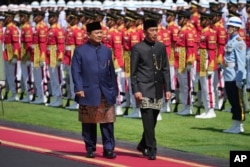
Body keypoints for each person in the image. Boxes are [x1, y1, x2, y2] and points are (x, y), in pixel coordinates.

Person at [71, 21, 118, 159]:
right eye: (96, 33)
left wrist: (114, 90)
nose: (100, 35)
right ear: (88, 34)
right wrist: (78, 88)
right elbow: (75, 71)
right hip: (88, 91)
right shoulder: (80, 50)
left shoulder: (107, 50)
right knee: (89, 123)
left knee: (107, 123)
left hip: (105, 91)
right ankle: (90, 148)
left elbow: (111, 72)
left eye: (101, 32)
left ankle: (108, 149)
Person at [130, 19, 171, 160]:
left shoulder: (161, 47)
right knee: (147, 119)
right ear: (145, 31)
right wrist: (136, 90)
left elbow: (165, 69)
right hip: (143, 89)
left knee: (152, 120)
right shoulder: (137, 48)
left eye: (156, 30)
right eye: (151, 30)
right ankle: (151, 147)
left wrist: (168, 88)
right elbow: (133, 72)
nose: (154, 33)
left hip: (158, 89)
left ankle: (142, 144)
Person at [223, 16, 246, 134]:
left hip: (234, 76)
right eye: (228, 26)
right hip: (228, 75)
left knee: (238, 102)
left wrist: (240, 79)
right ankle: (235, 124)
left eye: (231, 26)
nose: (228, 28)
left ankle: (239, 125)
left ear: (237, 28)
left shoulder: (239, 42)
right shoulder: (230, 40)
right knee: (232, 101)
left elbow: (241, 62)